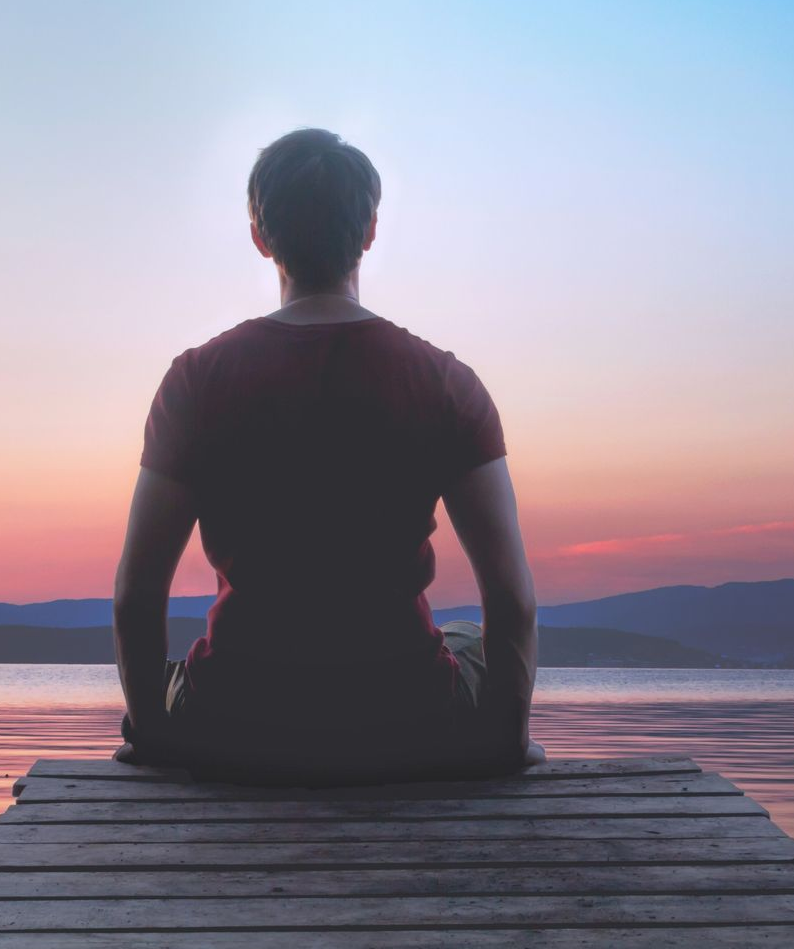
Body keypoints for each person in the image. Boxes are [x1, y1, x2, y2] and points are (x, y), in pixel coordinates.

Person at [110, 128, 543, 785]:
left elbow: (136, 597)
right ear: (369, 231)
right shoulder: (447, 384)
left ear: (261, 237)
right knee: (464, 637)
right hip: (409, 723)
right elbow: (511, 599)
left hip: (233, 723)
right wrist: (505, 743)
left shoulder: (195, 383)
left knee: (175, 677)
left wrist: (152, 736)